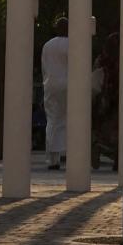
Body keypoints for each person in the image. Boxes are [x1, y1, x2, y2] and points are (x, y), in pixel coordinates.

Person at [42, 27, 71, 170]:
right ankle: (65, 150)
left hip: (50, 85)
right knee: (67, 118)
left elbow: (44, 67)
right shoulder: (72, 43)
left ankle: (53, 157)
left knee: (53, 119)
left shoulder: (47, 45)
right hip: (68, 84)